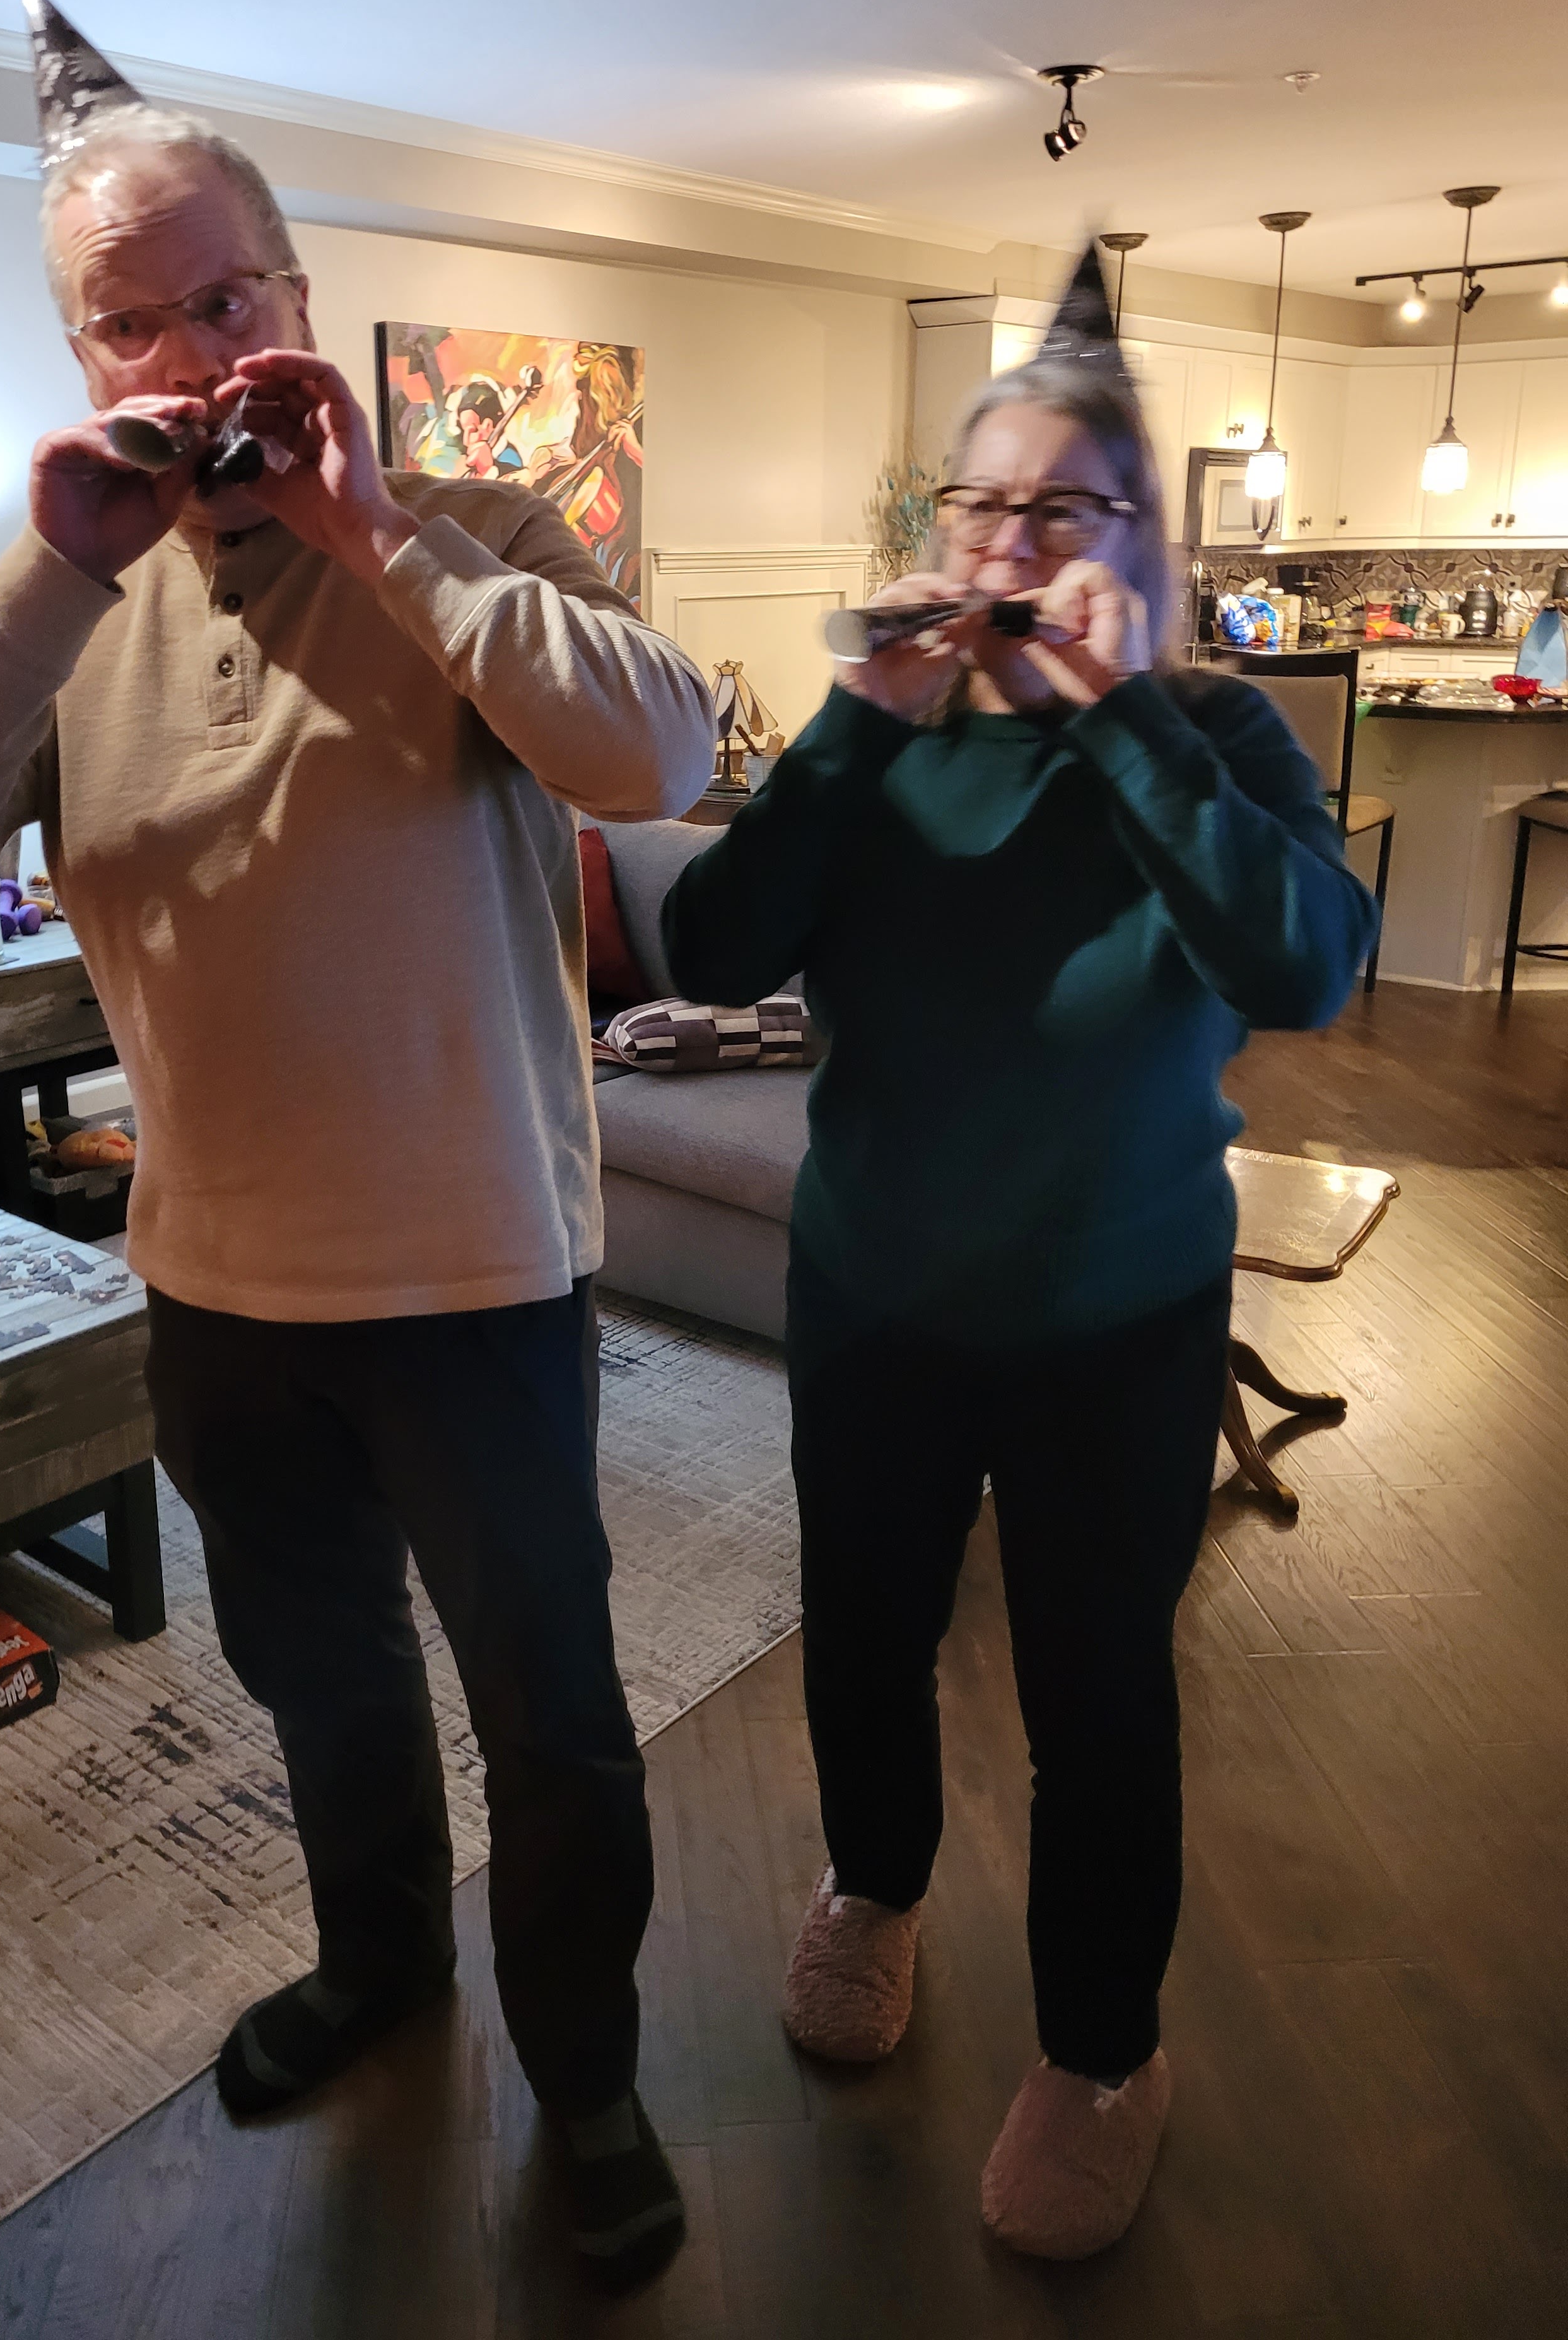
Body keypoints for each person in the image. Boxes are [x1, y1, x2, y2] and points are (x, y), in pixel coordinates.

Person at [0, 0, 714, 2291]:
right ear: (82, 353)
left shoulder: (477, 528)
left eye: (228, 299)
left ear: (297, 300)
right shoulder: (72, 590)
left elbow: (659, 758)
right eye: (134, 320)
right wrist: (49, 566)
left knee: (555, 1722)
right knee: (320, 1679)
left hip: (478, 1277)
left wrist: (381, 526)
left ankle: (589, 2077)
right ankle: (381, 1966)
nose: (193, 353)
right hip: (214, 1286)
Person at [660, 244, 1378, 2263]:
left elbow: (1305, 968)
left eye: (1061, 509)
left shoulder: (1214, 732)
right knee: (864, 1633)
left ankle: (1102, 2050)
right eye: (980, 506)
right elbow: (706, 948)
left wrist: (1124, 714)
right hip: (873, 1297)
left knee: (1098, 1695)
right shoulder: (883, 733)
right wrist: (842, 733)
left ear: (1133, 537)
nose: (1007, 545)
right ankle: (874, 1884)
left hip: (1117, 1317)